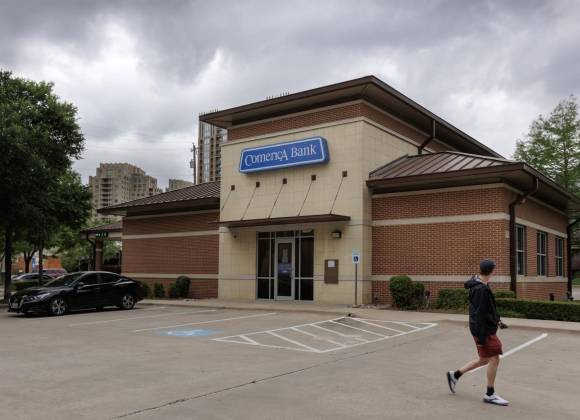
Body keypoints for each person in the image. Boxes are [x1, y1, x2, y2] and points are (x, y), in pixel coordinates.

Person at [446, 259, 509, 406]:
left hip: (484, 328)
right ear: (491, 271)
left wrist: (497, 320)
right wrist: (481, 338)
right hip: (484, 331)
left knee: (484, 360)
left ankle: (455, 375)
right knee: (494, 358)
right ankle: (490, 394)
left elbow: (488, 309)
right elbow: (479, 314)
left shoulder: (480, 284)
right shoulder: (481, 289)